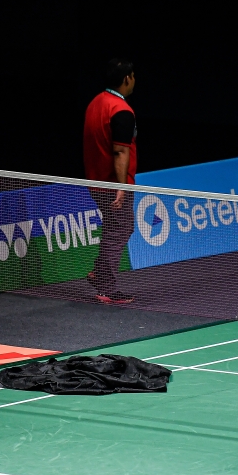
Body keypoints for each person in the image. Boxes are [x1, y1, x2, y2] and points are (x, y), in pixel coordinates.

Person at [83, 58, 137, 304]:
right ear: (127, 79)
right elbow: (120, 151)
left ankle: (99, 272)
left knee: (115, 228)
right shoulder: (121, 110)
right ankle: (106, 288)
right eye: (133, 76)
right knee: (121, 229)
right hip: (112, 183)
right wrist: (121, 186)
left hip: (95, 180)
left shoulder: (95, 103)